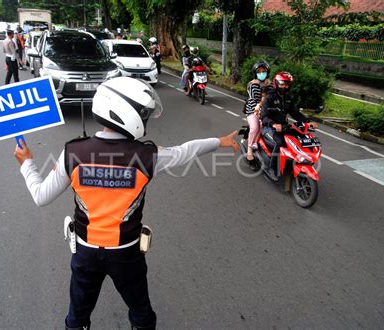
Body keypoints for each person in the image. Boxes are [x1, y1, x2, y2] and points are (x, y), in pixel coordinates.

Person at [13, 77, 239, 329]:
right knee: (141, 313)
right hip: (126, 254)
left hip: (85, 252)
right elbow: (187, 150)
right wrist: (220, 141)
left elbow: (41, 196)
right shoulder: (146, 156)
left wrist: (27, 164)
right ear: (127, 113)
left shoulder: (73, 152)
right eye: (143, 114)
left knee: (77, 316)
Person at [261, 71, 318, 178]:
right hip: (268, 127)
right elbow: (263, 116)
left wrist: (308, 122)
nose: (285, 87)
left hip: (284, 126)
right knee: (280, 141)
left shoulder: (288, 98)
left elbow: (295, 113)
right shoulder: (270, 98)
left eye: (287, 85)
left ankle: (296, 161)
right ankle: (271, 169)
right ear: (276, 84)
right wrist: (273, 124)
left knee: (299, 139)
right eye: (282, 84)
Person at [243, 61, 273, 171]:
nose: (261, 73)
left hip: (268, 109)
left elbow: (274, 96)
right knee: (256, 126)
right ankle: (250, 151)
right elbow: (256, 98)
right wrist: (265, 90)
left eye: (264, 71)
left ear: (267, 72)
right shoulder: (253, 84)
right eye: (259, 72)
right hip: (253, 108)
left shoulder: (271, 84)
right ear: (255, 73)